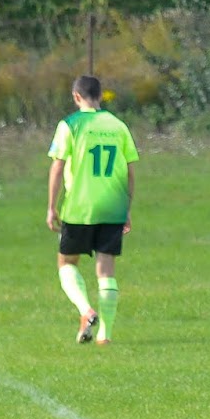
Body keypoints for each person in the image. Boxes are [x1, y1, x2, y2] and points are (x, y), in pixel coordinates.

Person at [47, 75, 139, 345]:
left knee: (66, 262)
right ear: (100, 96)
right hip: (112, 205)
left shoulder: (70, 125)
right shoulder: (118, 126)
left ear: (76, 96)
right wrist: (127, 207)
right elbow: (130, 171)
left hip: (79, 206)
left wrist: (51, 207)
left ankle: (86, 310)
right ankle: (105, 335)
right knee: (106, 270)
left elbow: (58, 165)